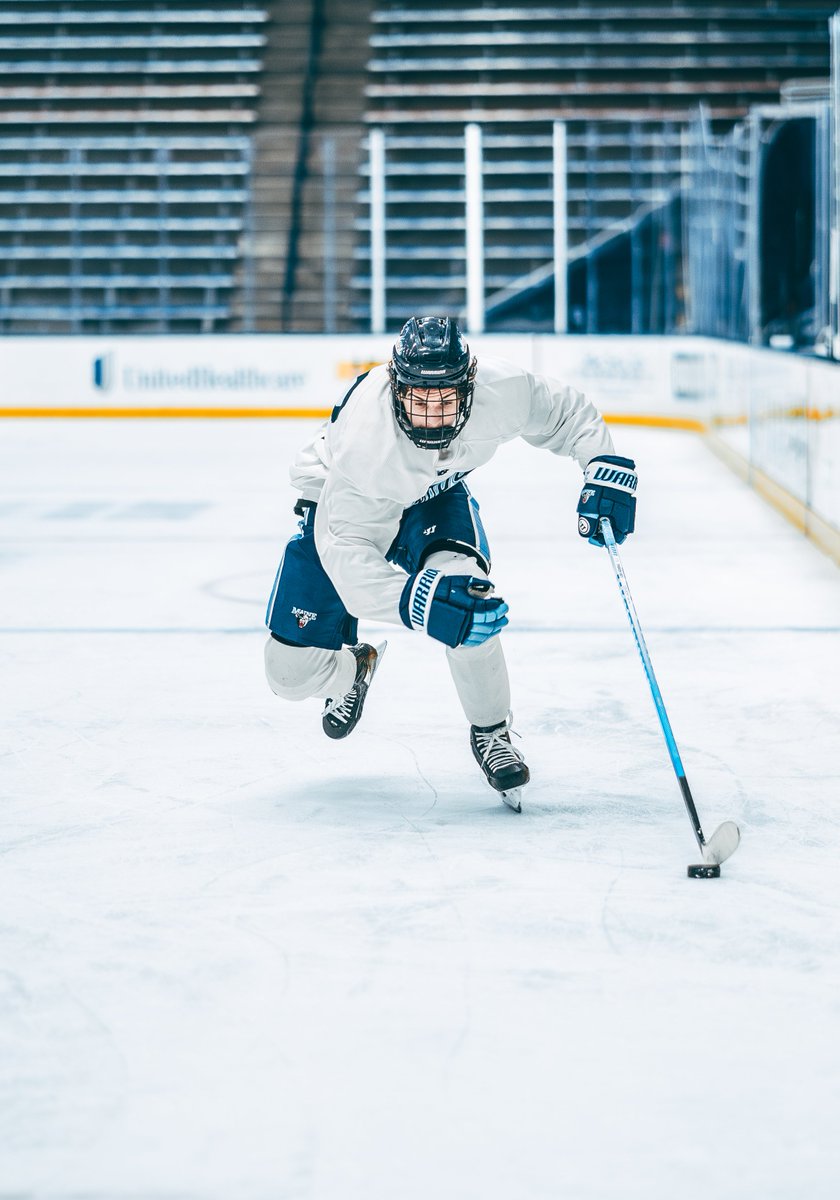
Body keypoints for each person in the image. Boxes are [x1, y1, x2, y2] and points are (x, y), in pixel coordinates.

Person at [264, 316, 637, 809]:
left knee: (470, 602)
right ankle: (350, 672)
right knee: (287, 675)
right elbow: (349, 560)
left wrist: (602, 465)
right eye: (420, 399)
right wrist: (417, 603)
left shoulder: (498, 390)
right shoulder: (366, 448)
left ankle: (492, 733)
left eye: (446, 398)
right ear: (398, 391)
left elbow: (563, 410)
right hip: (342, 506)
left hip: (433, 500)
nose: (433, 415)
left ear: (469, 384)